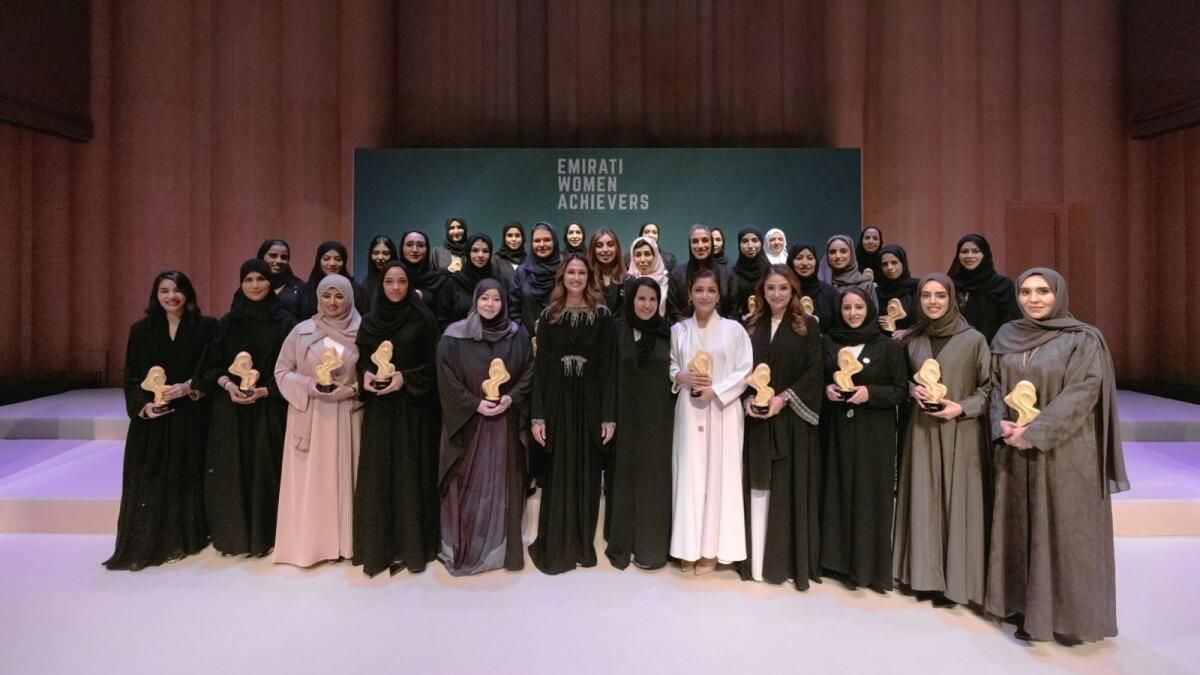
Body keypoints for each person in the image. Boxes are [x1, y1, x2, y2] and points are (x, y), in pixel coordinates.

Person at [986, 268, 1129, 644]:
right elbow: (995, 384)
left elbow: (1082, 392)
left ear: (1059, 294)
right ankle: (1022, 607)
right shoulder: (1007, 336)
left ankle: (1067, 619)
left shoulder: (1083, 339)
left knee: (1065, 531)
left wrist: (1034, 434)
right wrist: (1001, 423)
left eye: (1043, 291)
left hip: (1065, 451)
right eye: (1026, 291)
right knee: (1020, 527)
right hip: (1014, 450)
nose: (1033, 299)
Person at [104, 271, 216, 571]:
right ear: (156, 295)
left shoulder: (206, 327)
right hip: (153, 418)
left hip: (190, 416)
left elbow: (213, 369)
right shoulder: (141, 330)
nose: (171, 296)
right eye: (164, 290)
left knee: (186, 475)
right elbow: (131, 376)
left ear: (188, 294)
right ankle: (151, 540)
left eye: (177, 290)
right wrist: (142, 407)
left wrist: (190, 386)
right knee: (150, 476)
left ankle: (185, 539)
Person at [892, 273, 990, 608]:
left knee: (955, 501)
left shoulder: (974, 340)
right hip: (921, 430)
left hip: (960, 432)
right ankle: (923, 577)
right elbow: (899, 379)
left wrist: (961, 407)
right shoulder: (913, 339)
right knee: (922, 499)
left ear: (952, 299)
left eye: (940, 296)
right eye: (926, 296)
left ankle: (954, 582)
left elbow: (989, 389)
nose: (932, 302)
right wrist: (912, 390)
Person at [199, 260, 296, 558]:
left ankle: (266, 536)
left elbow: (293, 368)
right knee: (233, 472)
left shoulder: (285, 322)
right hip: (231, 411)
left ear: (271, 282)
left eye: (261, 279)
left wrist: (266, 389)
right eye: (249, 279)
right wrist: (229, 386)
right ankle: (235, 537)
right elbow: (211, 367)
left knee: (266, 470)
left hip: (269, 409)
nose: (255, 285)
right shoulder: (227, 323)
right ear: (241, 283)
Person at [438, 279, 534, 575]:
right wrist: (474, 403)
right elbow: (446, 377)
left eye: (496, 299)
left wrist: (511, 398)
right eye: (484, 299)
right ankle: (467, 548)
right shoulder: (453, 336)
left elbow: (529, 371)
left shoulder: (517, 335)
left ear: (504, 303)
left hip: (504, 425)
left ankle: (498, 551)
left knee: (500, 485)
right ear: (475, 301)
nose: (490, 304)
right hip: (469, 425)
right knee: (467, 484)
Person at [528, 255, 617, 574]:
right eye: (571, 272)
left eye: (581, 273)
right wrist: (538, 416)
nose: (576, 278)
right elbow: (540, 369)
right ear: (562, 277)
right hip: (558, 405)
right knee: (559, 472)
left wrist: (608, 415)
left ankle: (582, 545)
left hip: (590, 406)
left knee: (588, 474)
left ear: (589, 277)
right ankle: (557, 542)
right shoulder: (549, 316)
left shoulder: (602, 316)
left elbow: (609, 367)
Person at [353, 262, 442, 576]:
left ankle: (412, 547)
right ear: (381, 285)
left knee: (410, 474)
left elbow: (434, 365)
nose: (395, 287)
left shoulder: (424, 319)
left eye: (401, 281)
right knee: (379, 475)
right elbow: (362, 361)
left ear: (409, 284)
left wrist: (405, 378)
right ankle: (378, 548)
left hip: (412, 410)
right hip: (379, 410)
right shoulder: (369, 321)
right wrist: (365, 376)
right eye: (389, 281)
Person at [738, 266, 824, 589]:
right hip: (756, 421)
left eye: (783, 288)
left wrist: (783, 399)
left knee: (786, 488)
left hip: (790, 421)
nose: (777, 294)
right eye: (771, 288)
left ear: (793, 291)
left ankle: (781, 562)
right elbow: (740, 370)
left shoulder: (808, 326)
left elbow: (814, 372)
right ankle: (754, 562)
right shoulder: (749, 325)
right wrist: (748, 398)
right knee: (757, 486)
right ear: (762, 291)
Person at [820, 287, 907, 592]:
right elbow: (817, 378)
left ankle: (867, 568)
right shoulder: (829, 342)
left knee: (870, 499)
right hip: (836, 431)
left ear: (869, 309)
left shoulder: (888, 346)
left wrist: (870, 393)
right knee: (837, 492)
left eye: (858, 307)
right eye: (847, 308)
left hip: (874, 433)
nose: (853, 313)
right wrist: (826, 390)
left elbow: (900, 390)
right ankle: (834, 563)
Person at [273, 274, 362, 567]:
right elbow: (281, 372)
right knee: (312, 482)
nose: (332, 302)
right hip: (310, 414)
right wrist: (309, 385)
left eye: (339, 296)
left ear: (349, 298)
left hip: (346, 415)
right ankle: (311, 545)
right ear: (318, 297)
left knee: (345, 477)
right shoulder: (301, 332)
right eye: (326, 296)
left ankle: (345, 544)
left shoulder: (363, 330)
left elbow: (370, 374)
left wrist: (351, 390)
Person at [669, 269, 754, 575]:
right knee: (689, 476)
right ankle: (688, 547)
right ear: (690, 294)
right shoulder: (679, 330)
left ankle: (712, 551)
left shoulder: (734, 330)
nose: (704, 296)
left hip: (722, 410)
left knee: (720, 477)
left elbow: (745, 370)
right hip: (689, 409)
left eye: (710, 290)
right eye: (698, 290)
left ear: (718, 295)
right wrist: (681, 375)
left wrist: (716, 390)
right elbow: (672, 365)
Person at [605, 278, 675, 570]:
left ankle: (651, 548)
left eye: (652, 299)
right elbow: (607, 375)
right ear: (631, 299)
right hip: (624, 416)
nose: (647, 305)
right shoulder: (616, 330)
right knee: (624, 477)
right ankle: (623, 542)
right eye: (641, 298)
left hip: (658, 419)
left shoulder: (669, 332)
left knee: (653, 481)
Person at [947, 233, 1021, 344]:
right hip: (956, 348)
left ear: (985, 254)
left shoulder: (1002, 286)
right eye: (964, 252)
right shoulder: (950, 284)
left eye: (976, 251)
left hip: (995, 348)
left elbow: (1011, 323)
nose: (969, 256)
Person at [437, 233, 497, 328]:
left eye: (485, 251)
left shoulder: (497, 282)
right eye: (475, 250)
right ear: (468, 253)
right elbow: (442, 320)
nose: (480, 255)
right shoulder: (453, 283)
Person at [669, 224, 728, 321]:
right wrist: (691, 327)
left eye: (705, 240)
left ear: (711, 243)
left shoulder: (727, 274)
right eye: (695, 241)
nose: (700, 246)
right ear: (690, 245)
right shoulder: (676, 275)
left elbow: (733, 310)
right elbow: (674, 311)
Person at [509, 221, 561, 329]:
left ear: (555, 241)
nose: (542, 245)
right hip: (528, 337)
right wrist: (525, 334)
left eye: (547, 240)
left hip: (561, 336)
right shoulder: (521, 272)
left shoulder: (565, 271)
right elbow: (513, 310)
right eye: (537, 241)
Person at [298, 241, 371, 318]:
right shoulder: (306, 290)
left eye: (338, 259)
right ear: (318, 261)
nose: (332, 263)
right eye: (326, 259)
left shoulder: (356, 290)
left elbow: (364, 318)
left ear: (344, 262)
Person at [788, 242, 840, 327]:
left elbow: (840, 326)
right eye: (799, 258)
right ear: (791, 262)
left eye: (810, 258)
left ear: (816, 262)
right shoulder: (785, 292)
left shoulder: (830, 293)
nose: (805, 263)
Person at [819, 234, 878, 308]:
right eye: (832, 252)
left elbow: (873, 313)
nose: (838, 256)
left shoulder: (866, 285)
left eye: (843, 251)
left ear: (852, 253)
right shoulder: (820, 284)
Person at [875, 244, 919, 334]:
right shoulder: (877, 292)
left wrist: (908, 332)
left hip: (913, 339)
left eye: (894, 262)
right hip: (884, 340)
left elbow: (925, 321)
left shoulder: (916, 288)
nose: (889, 267)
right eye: (884, 264)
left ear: (903, 263)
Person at [727, 227, 769, 320]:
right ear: (739, 244)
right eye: (745, 241)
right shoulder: (733, 274)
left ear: (761, 243)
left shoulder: (770, 272)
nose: (750, 245)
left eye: (755, 240)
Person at [257, 239, 305, 319]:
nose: (279, 261)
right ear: (262, 257)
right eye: (273, 256)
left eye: (284, 257)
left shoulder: (300, 288)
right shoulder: (251, 284)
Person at [625, 236, 671, 318]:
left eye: (647, 254)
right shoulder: (626, 282)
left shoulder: (667, 282)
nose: (642, 260)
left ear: (655, 256)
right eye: (638, 255)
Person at [398, 230, 447, 308]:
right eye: (409, 245)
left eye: (420, 245)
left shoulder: (439, 280)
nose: (414, 250)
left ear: (427, 249)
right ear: (402, 248)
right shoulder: (393, 277)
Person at [588, 228, 627, 314]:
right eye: (599, 246)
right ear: (593, 250)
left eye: (610, 245)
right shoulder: (586, 280)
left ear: (617, 248)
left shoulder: (629, 280)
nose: (605, 250)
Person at [361, 235, 398, 301]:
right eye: (376, 253)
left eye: (385, 253)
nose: (380, 257)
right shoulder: (364, 284)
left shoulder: (401, 280)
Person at [493, 221, 526, 289]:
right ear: (504, 238)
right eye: (509, 235)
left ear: (522, 238)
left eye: (517, 235)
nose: (513, 239)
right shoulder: (495, 260)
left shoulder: (529, 260)